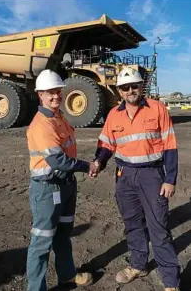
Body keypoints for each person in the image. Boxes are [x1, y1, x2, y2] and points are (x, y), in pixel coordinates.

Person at [90, 67, 180, 291]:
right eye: (125, 87)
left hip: (152, 175)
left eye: (134, 86)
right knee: (132, 224)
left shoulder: (157, 109)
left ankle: (170, 281)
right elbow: (106, 144)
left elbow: (169, 146)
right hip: (125, 176)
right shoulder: (114, 115)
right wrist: (99, 162)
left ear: (141, 87)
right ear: (119, 90)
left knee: (158, 227)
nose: (130, 90)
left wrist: (170, 179)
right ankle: (139, 265)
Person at [26, 69, 95, 291]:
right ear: (40, 95)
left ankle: (66, 275)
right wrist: (88, 166)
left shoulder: (59, 117)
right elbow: (57, 160)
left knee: (63, 235)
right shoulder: (41, 124)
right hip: (47, 191)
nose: (55, 96)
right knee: (42, 242)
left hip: (66, 187)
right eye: (49, 92)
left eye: (57, 91)